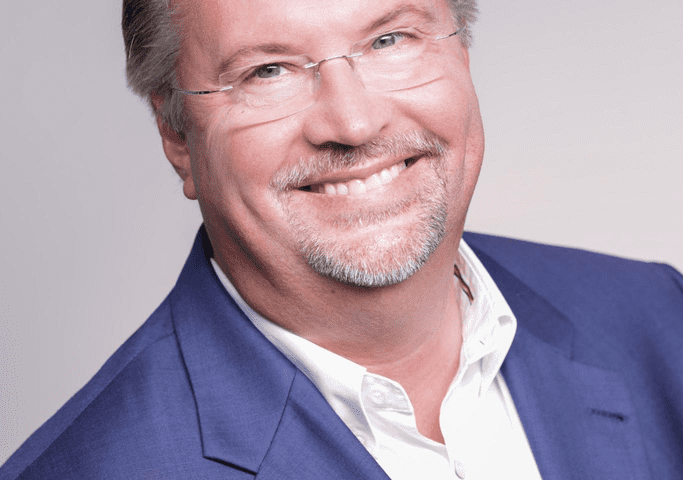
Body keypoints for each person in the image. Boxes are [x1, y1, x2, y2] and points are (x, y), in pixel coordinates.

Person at [2, 0, 682, 478]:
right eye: (267, 71)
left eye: (390, 40)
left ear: (464, 54)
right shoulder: (96, 466)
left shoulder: (657, 317)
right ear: (176, 136)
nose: (353, 123)